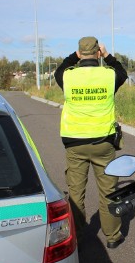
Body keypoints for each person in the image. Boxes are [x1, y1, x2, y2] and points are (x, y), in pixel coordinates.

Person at [54, 36, 128, 249]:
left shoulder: (67, 77)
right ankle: (113, 236)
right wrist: (108, 56)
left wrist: (74, 56)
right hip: (103, 143)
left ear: (79, 54)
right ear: (97, 53)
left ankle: (75, 237)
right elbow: (122, 71)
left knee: (76, 192)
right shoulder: (109, 75)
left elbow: (61, 67)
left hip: (75, 143)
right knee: (109, 192)